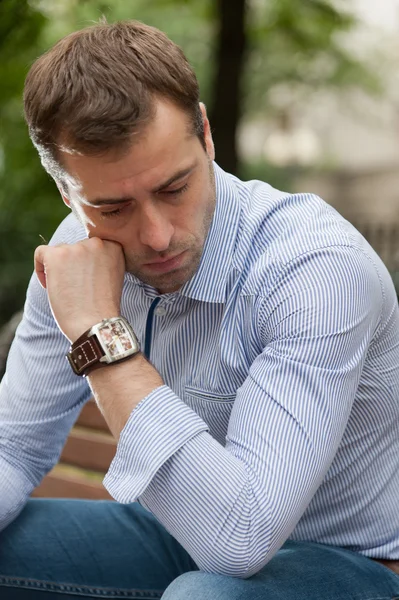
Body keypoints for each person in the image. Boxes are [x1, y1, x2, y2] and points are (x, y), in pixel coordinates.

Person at [0, 19, 398, 600]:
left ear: (206, 135)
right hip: (175, 535)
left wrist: (99, 337)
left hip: (349, 563)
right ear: (68, 193)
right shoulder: (71, 258)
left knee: (204, 595)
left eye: (174, 187)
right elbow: (13, 446)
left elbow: (239, 539)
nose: (157, 236)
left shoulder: (315, 269)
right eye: (112, 209)